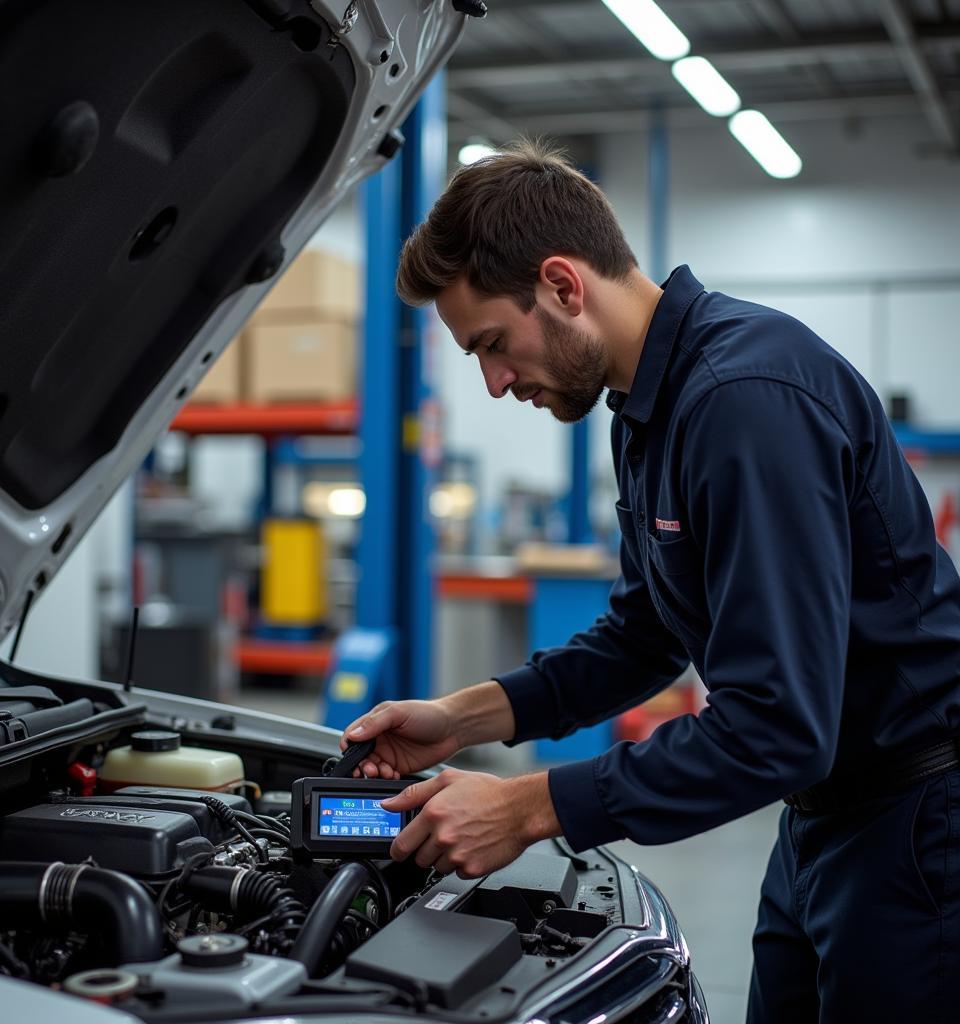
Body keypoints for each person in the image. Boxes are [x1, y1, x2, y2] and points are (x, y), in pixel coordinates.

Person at [340, 140, 960, 1022]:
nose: (493, 381)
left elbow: (778, 727)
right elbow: (644, 635)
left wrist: (527, 807)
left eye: (491, 344)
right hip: (823, 822)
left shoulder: (744, 400)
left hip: (916, 831)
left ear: (562, 285)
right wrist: (459, 718)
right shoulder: (645, 412)